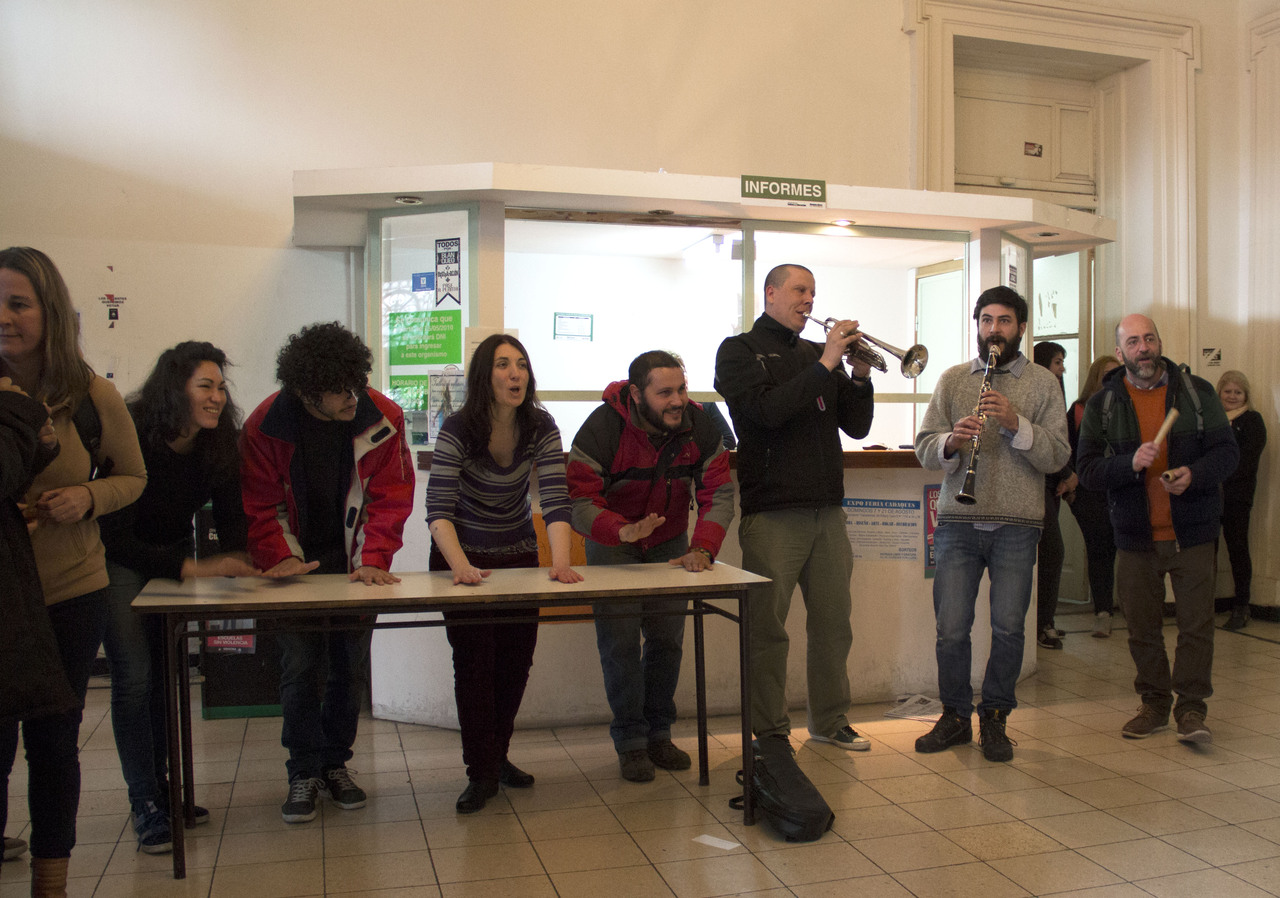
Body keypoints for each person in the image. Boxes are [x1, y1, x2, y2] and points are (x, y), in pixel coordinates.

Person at [0, 247, 147, 897]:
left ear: (50, 311)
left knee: (54, 741)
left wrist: (85, 498)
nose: (4, 318)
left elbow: (132, 477)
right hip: (4, 598)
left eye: (18, 304)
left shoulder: (90, 395)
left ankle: (50, 881)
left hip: (70, 590)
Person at [240, 322, 414, 824]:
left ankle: (335, 764)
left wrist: (374, 558)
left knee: (348, 667)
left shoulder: (384, 417)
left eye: (356, 384)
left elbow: (391, 497)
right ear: (306, 390)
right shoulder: (264, 426)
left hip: (355, 567)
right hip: (295, 567)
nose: (352, 398)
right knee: (299, 668)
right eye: (339, 390)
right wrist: (280, 556)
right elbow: (260, 505)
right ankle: (303, 770)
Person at [98, 342, 260, 853]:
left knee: (165, 681)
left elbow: (232, 515)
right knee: (134, 679)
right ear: (175, 390)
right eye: (205, 386)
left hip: (169, 557)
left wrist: (253, 561)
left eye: (221, 387)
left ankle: (163, 788)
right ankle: (144, 801)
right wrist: (194, 568)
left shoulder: (217, 441)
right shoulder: (134, 430)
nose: (217, 397)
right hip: (119, 560)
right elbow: (112, 536)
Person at [714, 263, 875, 752]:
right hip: (773, 512)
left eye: (813, 292)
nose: (809, 300)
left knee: (834, 625)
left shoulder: (814, 354)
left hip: (827, 511)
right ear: (771, 293)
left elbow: (857, 427)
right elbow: (766, 413)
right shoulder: (739, 351)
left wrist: (860, 374)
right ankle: (770, 731)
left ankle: (830, 720)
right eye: (799, 290)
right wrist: (826, 363)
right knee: (767, 630)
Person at [427, 333, 583, 812]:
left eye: (521, 365)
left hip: (517, 557)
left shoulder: (540, 425)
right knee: (475, 665)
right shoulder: (458, 428)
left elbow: (554, 498)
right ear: (484, 375)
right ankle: (481, 772)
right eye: (502, 364)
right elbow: (438, 510)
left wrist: (560, 563)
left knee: (515, 663)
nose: (515, 374)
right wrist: (462, 568)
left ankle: (497, 756)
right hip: (461, 557)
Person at [913, 286, 1069, 762]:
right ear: (977, 326)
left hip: (1017, 525)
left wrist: (1017, 424)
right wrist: (950, 442)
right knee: (950, 629)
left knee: (1009, 629)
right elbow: (924, 448)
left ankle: (996, 717)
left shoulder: (1043, 383)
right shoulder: (953, 379)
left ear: (1020, 327)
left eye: (1003, 321)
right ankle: (955, 717)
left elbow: (1058, 455)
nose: (993, 330)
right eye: (986, 320)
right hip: (958, 522)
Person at [567, 350, 734, 782]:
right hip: (614, 543)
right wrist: (620, 530)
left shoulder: (701, 425)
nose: (677, 401)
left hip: (669, 543)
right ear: (637, 395)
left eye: (681, 389)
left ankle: (659, 733)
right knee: (619, 644)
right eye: (665, 393)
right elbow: (580, 501)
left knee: (666, 641)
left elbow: (718, 493)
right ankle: (630, 741)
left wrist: (704, 549)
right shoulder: (602, 427)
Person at [1077, 314, 1238, 744]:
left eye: (1149, 339)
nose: (1143, 348)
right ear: (1120, 352)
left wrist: (1194, 475)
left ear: (1159, 343)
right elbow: (1087, 470)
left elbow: (1227, 454)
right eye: (1133, 342)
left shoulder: (1196, 393)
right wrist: (1128, 464)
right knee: (1142, 629)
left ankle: (1191, 709)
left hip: (1193, 533)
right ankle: (1154, 704)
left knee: (1196, 627)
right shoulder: (1103, 404)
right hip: (1135, 536)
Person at [0, 376, 69, 870]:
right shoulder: (13, 403)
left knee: (54, 740)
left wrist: (39, 448)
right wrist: (15, 410)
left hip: (53, 585)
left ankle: (51, 880)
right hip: (18, 594)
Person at [1067, 355, 1122, 637]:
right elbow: (1067, 449)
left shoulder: (1127, 406)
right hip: (1089, 492)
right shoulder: (1079, 409)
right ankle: (1103, 611)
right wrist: (1071, 486)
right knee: (1099, 549)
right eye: (1106, 374)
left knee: (1126, 549)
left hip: (1121, 487)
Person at [1032, 341, 1076, 650]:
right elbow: (1044, 440)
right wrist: (1066, 474)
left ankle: (1045, 619)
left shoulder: (1057, 393)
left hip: (1053, 484)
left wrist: (1065, 476)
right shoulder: (1038, 393)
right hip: (1039, 483)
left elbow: (1061, 442)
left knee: (1050, 552)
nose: (1062, 368)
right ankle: (1042, 623)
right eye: (1057, 362)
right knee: (1052, 551)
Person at [1216, 370, 1267, 630]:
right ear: (1219, 393)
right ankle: (1200, 605)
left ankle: (1241, 606)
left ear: (1246, 395)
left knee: (1237, 550)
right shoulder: (1212, 420)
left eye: (1238, 392)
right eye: (1228, 391)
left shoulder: (1253, 421)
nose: (1233, 396)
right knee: (1206, 553)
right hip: (1210, 496)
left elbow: (1246, 460)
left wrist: (1217, 474)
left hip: (1237, 497)